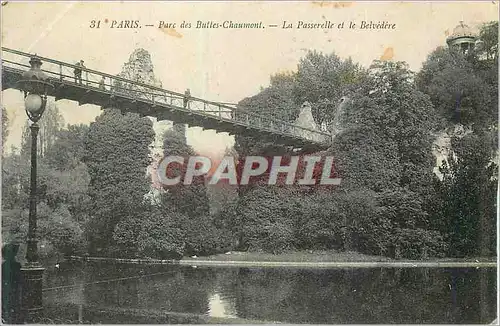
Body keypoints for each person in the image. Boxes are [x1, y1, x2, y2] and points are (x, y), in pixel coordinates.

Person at [2, 243, 22, 324]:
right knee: (14, 303)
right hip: (14, 288)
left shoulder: (3, 265)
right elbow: (20, 279)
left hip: (6, 289)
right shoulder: (17, 265)